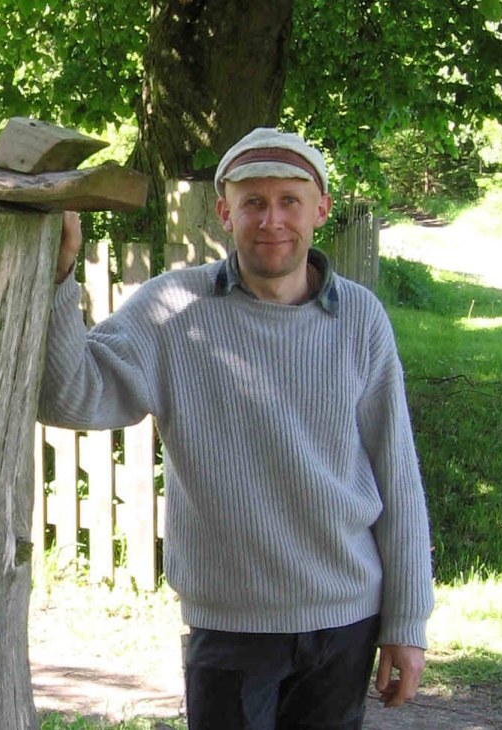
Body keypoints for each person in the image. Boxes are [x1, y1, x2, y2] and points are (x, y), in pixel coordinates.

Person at [38, 127, 434, 729]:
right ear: (225, 212)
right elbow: (71, 397)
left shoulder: (361, 320)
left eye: (289, 200)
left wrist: (406, 624)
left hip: (344, 621)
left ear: (320, 209)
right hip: (230, 626)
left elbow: (397, 476)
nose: (271, 220)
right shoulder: (172, 310)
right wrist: (60, 278)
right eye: (253, 202)